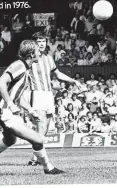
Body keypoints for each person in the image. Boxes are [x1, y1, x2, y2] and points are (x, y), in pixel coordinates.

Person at [0, 40, 64, 175]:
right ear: (31, 53)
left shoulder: (24, 67)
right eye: (37, 50)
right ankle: (48, 168)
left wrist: (30, 110)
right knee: (37, 140)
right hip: (5, 113)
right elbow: (1, 83)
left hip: (6, 112)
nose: (39, 52)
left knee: (10, 140)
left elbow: (17, 95)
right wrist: (11, 105)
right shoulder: (19, 66)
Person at [26, 35, 81, 166]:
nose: (41, 44)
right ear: (34, 44)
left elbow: (58, 74)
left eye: (43, 41)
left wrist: (73, 80)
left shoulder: (49, 58)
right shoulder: (29, 59)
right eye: (38, 41)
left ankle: (37, 156)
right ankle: (35, 158)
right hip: (37, 93)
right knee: (41, 125)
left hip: (49, 95)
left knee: (45, 128)